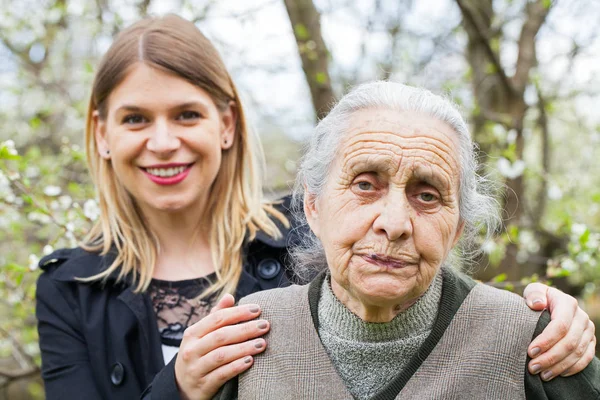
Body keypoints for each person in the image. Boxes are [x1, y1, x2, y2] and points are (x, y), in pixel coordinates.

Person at [34, 15, 596, 400]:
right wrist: (178, 385)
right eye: (135, 119)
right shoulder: (71, 285)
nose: (162, 142)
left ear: (226, 125)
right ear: (102, 134)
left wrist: (553, 319)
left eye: (186, 115)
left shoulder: (301, 225)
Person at [221, 81, 600, 399]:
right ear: (314, 205)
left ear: (457, 229)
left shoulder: (532, 342)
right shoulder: (249, 335)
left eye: (427, 195)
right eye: (365, 185)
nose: (395, 223)